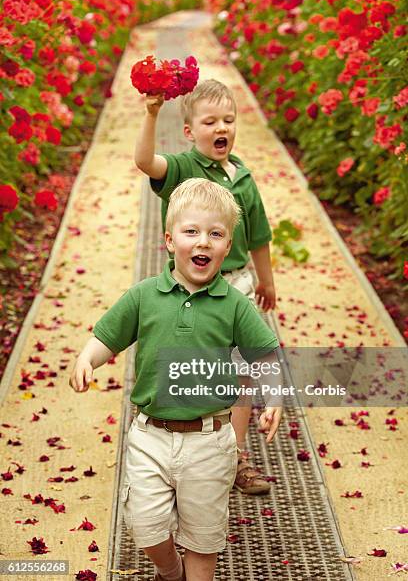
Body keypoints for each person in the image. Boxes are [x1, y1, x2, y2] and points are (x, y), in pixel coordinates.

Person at [70, 179, 282, 581]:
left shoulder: (235, 305)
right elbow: (107, 336)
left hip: (210, 440)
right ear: (170, 240)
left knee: (204, 541)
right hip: (151, 434)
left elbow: (265, 355)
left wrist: (274, 399)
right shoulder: (144, 296)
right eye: (192, 232)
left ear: (227, 245)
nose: (203, 242)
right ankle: (170, 572)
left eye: (215, 234)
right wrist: (87, 358)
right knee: (146, 526)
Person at [134, 79, 277, 494]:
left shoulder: (243, 176)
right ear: (190, 131)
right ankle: (186, 445)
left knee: (243, 374)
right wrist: (150, 112)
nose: (221, 128)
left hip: (237, 285)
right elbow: (145, 161)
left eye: (229, 120)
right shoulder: (182, 168)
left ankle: (234, 457)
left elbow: (258, 233)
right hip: (191, 288)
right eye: (210, 121)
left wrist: (265, 278)